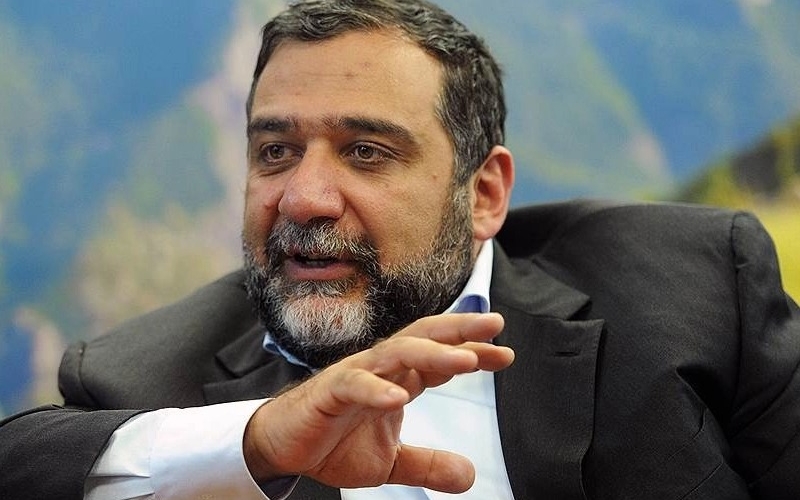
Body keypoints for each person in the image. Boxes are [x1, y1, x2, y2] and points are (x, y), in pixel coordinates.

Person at [2, 0, 799, 498]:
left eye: (366, 152)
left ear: (483, 194)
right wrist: (257, 439)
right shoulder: (143, 376)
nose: (304, 198)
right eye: (275, 152)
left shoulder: (690, 286)